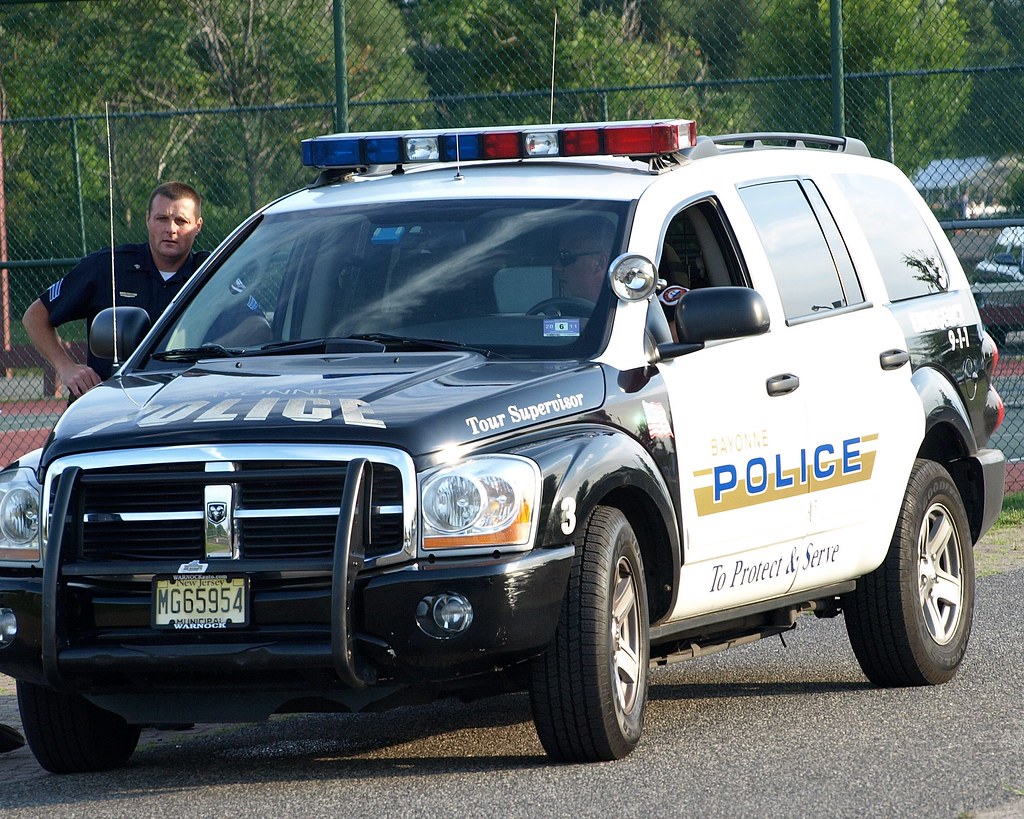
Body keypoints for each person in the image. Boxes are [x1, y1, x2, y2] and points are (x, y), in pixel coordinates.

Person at [23, 181, 207, 398]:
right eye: (161, 219)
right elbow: (35, 316)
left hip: (185, 401)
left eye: (181, 221)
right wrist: (66, 367)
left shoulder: (211, 275)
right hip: (113, 402)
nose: (171, 229)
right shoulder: (108, 266)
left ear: (198, 225)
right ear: (148, 219)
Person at [553, 216, 616, 302]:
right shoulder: (553, 309)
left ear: (599, 263)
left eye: (566, 257)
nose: (557, 267)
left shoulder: (628, 309)